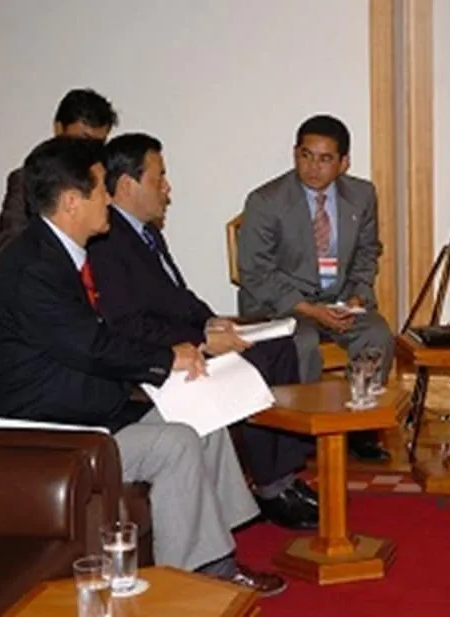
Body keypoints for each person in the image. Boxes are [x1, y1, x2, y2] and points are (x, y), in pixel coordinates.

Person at [0, 136, 287, 595]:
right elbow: (90, 345)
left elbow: (103, 339)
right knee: (179, 443)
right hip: (48, 430)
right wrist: (167, 358)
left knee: (203, 413)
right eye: (102, 188)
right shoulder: (33, 269)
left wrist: (178, 357)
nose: (109, 198)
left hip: (91, 409)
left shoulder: (64, 255)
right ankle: (191, 584)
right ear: (71, 202)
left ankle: (220, 549)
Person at [86, 132, 318, 530]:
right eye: (159, 178)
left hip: (193, 336)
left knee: (282, 346)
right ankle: (271, 489)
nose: (167, 188)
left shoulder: (147, 232)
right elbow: (128, 324)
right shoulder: (108, 244)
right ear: (128, 184)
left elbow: (179, 295)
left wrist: (213, 321)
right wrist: (200, 341)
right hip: (168, 353)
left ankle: (281, 478)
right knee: (260, 359)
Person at [237, 114, 393, 462]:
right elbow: (255, 272)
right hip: (283, 305)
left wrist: (357, 297)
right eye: (306, 156)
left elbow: (368, 252)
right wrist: (308, 309)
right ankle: (302, 435)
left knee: (377, 335)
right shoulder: (266, 201)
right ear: (295, 154)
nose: (313, 168)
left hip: (338, 300)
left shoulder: (362, 195)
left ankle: (361, 429)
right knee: (303, 342)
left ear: (343, 163)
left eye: (325, 159)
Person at [0, 88, 119, 260]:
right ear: (58, 128)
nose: (87, 150)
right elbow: (7, 248)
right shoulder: (28, 178)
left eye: (98, 144)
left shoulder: (105, 181)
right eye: (82, 139)